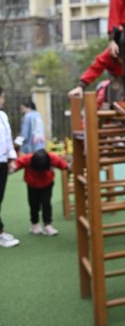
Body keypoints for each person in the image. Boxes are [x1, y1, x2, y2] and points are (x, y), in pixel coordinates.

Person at [13, 149, 68, 236]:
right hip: (32, 185)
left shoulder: (54, 158)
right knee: (33, 204)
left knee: (46, 203)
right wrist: (12, 168)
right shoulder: (27, 159)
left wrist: (69, 167)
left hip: (47, 184)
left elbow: (65, 166)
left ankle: (48, 225)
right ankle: (35, 224)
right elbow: (15, 165)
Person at [0, 87, 19, 248]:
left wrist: (12, 159)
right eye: (2, 97)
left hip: (2, 161)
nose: (3, 100)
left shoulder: (3, 116)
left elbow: (8, 138)